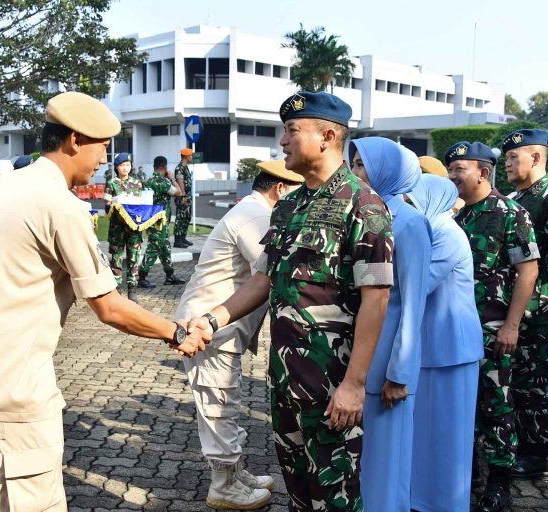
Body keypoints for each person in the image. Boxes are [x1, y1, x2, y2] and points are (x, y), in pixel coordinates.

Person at [0, 91, 209, 512]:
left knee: (8, 499)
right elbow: (110, 307)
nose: (105, 157)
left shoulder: (0, 188)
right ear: (75, 140)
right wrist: (176, 332)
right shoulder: (60, 205)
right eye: (102, 146)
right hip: (12, 390)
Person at [186, 91, 393, 512]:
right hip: (285, 379)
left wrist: (354, 385)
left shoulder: (364, 205)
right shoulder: (290, 205)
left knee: (336, 496)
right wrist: (213, 317)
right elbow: (263, 278)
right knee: (298, 490)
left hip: (332, 383)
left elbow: (377, 296)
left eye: (292, 131)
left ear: (328, 136)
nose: (282, 142)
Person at [177, 159, 303, 510]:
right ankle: (224, 486)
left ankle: (235, 474)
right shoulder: (257, 218)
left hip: (218, 326)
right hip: (207, 330)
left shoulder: (251, 211)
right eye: (297, 192)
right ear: (280, 189)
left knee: (226, 402)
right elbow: (271, 274)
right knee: (218, 406)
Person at [447, 141, 539, 512]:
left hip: (493, 328)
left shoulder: (510, 213)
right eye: (450, 169)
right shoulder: (458, 218)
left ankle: (499, 484)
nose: (452, 176)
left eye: (459, 170)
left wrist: (511, 326)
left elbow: (528, 271)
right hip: (459, 329)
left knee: (496, 405)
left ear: (483, 173)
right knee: (463, 405)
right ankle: (465, 476)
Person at [349, 137, 431, 512]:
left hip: (386, 367)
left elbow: (413, 303)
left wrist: (399, 373)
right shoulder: (362, 215)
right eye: (352, 163)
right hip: (357, 357)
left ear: (386, 171)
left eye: (362, 165)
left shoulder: (410, 223)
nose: (354, 172)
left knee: (386, 466)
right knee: (362, 465)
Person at [502, 129, 548, 481]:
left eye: (514, 158)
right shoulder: (520, 197)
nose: (508, 165)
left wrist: (544, 290)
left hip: (535, 308)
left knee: (530, 384)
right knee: (516, 381)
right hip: (518, 305)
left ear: (535, 158)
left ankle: (537, 454)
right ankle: (520, 445)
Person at [407, 174, 484, 512]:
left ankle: (447, 503)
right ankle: (425, 499)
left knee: (449, 434)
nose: (408, 206)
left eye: (413, 199)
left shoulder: (447, 232)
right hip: (434, 344)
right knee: (430, 431)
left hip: (453, 346)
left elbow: (421, 284)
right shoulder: (432, 227)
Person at [137, 155, 186, 288]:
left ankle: (169, 275)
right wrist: (172, 178)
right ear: (164, 167)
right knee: (154, 246)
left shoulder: (148, 181)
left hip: (152, 219)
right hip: (159, 220)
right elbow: (179, 193)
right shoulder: (163, 182)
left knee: (165, 247)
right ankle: (142, 276)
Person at [105, 152, 143, 301]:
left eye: (128, 165)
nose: (125, 168)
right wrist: (116, 205)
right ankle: (116, 289)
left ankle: (132, 289)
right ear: (116, 167)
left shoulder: (138, 183)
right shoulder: (111, 183)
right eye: (122, 165)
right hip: (117, 228)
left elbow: (142, 203)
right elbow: (107, 206)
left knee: (134, 258)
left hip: (134, 228)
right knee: (117, 258)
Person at [174, 147, 193, 248]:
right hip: (183, 196)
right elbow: (180, 181)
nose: (191, 157)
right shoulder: (180, 167)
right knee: (180, 218)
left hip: (187, 195)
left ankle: (183, 237)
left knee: (186, 217)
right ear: (186, 156)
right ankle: (177, 240)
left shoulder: (185, 167)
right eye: (190, 155)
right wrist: (183, 196)